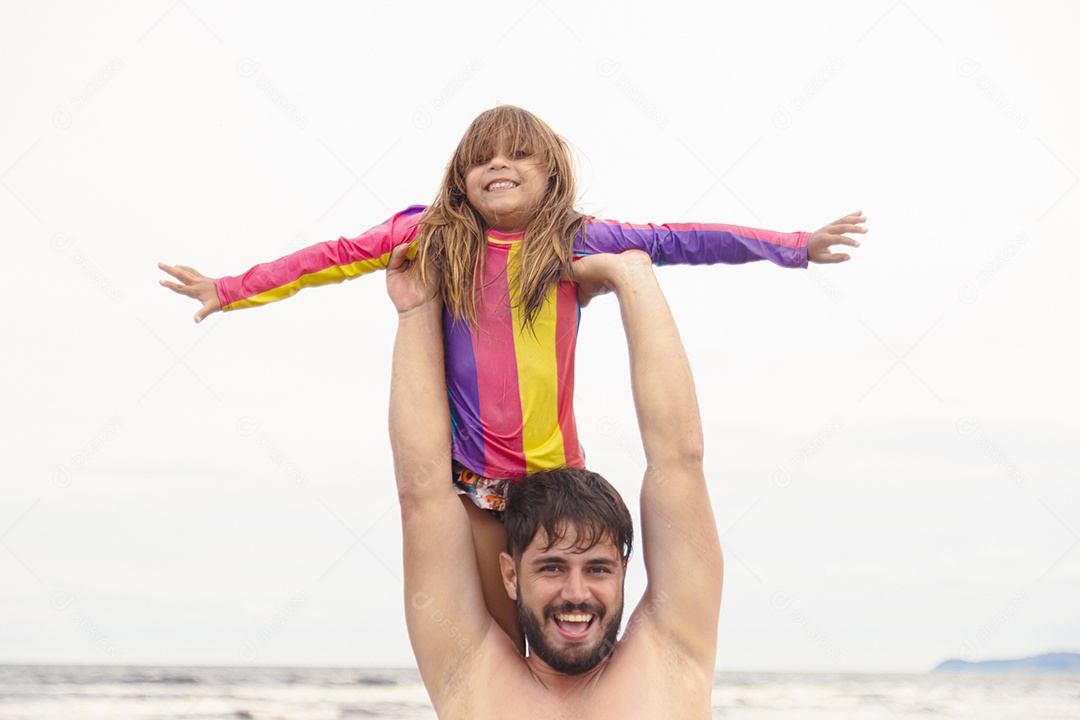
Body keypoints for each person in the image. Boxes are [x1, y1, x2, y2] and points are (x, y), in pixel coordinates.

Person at [159, 104, 866, 645]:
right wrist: (230, 288)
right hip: (475, 492)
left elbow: (683, 241)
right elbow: (332, 256)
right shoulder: (430, 233)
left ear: (551, 172)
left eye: (519, 156)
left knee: (571, 637)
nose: (498, 166)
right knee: (499, 650)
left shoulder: (580, 239)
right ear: (461, 178)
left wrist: (795, 247)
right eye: (481, 159)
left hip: (559, 484)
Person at [388, 247, 722, 718]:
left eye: (598, 569)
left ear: (624, 571)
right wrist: (418, 310)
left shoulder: (671, 656)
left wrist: (632, 278)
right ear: (510, 573)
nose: (576, 593)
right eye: (550, 567)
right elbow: (421, 494)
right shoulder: (472, 675)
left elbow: (679, 461)